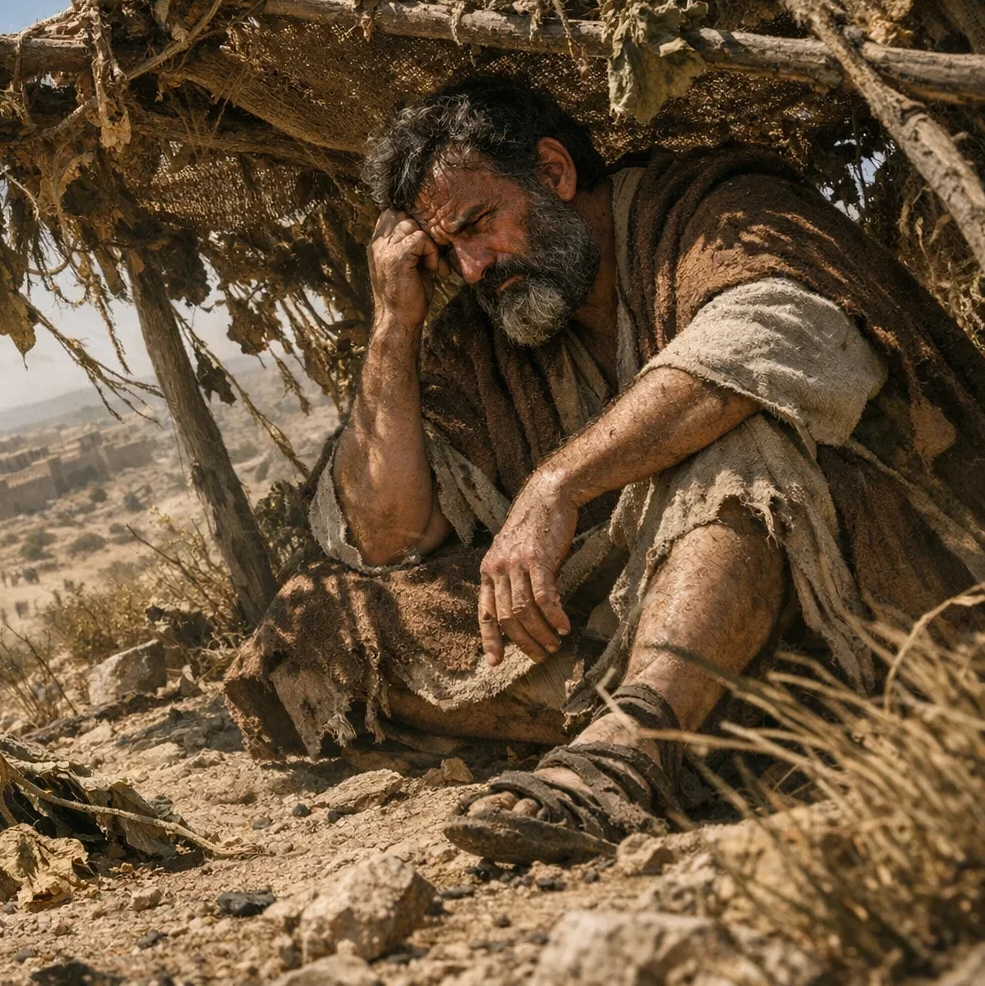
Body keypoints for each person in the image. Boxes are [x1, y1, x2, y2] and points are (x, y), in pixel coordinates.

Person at [223, 76, 985, 864]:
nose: (473, 266)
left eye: (480, 224)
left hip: (868, 570)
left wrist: (557, 487)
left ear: (553, 171)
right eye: (447, 251)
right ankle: (713, 722)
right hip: (652, 623)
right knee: (314, 624)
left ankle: (629, 752)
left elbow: (774, 338)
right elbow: (385, 534)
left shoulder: (712, 208)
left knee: (732, 441)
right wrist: (394, 323)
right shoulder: (486, 328)